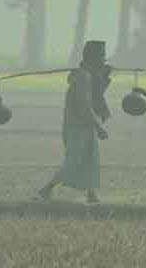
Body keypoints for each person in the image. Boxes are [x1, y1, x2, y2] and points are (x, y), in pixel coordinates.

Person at [36, 40, 112, 203]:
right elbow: (85, 106)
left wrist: (104, 78)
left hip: (86, 124)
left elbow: (96, 95)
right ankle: (46, 189)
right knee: (74, 161)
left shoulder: (90, 76)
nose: (103, 60)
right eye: (101, 56)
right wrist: (98, 127)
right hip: (77, 126)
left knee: (90, 159)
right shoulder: (82, 77)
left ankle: (91, 194)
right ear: (92, 58)